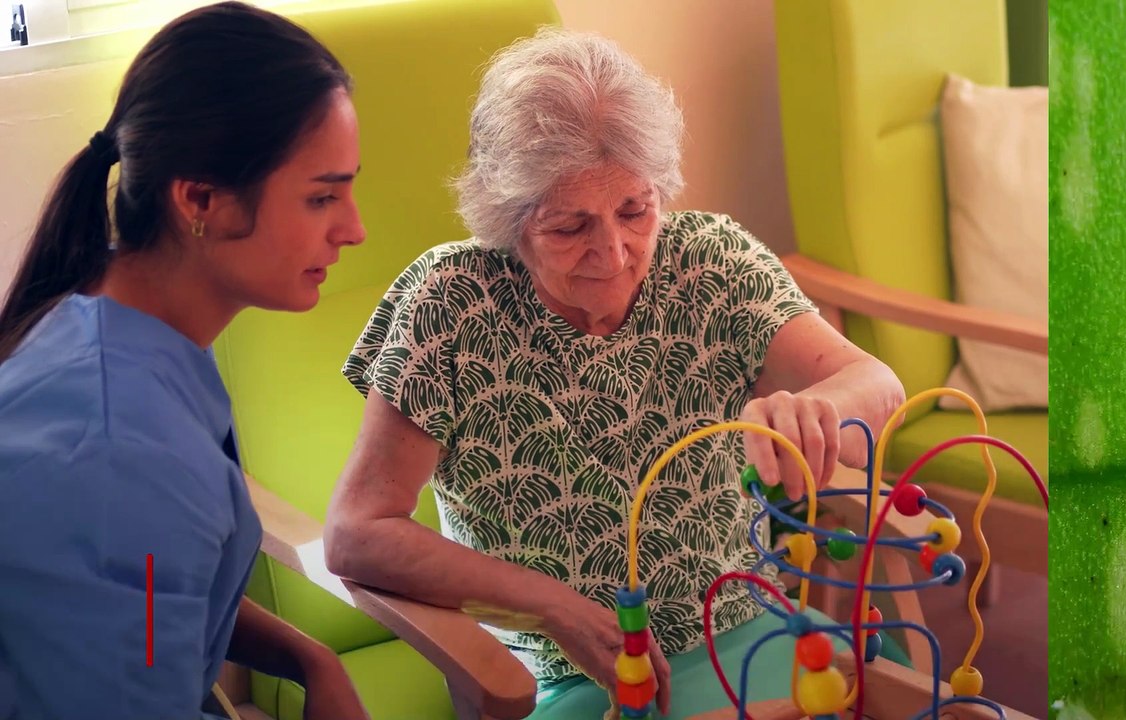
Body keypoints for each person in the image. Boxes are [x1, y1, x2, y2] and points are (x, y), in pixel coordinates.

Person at [325, 27, 906, 719]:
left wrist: (817, 407)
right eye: (569, 227)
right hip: (560, 672)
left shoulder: (712, 262)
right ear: (508, 223)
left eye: (635, 210)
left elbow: (877, 384)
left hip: (747, 626)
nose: (615, 252)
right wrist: (552, 607)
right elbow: (358, 532)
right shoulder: (451, 303)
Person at [0, 3, 370, 719]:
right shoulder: (120, 454)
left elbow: (152, 590)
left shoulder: (116, 321)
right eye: (322, 197)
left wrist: (309, 658)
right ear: (200, 199)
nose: (354, 230)